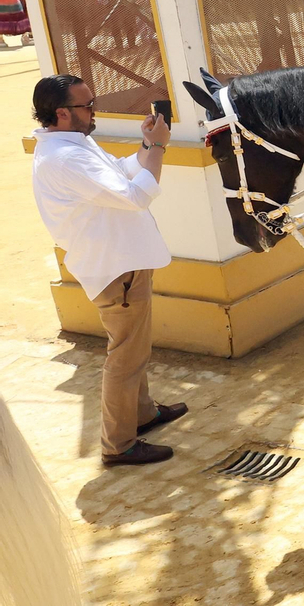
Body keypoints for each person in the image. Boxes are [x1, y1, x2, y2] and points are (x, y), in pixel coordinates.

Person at [30, 75, 187, 467]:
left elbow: (119, 171)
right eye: (87, 105)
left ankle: (142, 413)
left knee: (134, 349)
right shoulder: (67, 157)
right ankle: (117, 445)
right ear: (61, 113)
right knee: (126, 356)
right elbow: (135, 196)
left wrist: (148, 146)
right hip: (116, 269)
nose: (93, 110)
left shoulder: (71, 145)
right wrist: (159, 149)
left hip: (121, 262)